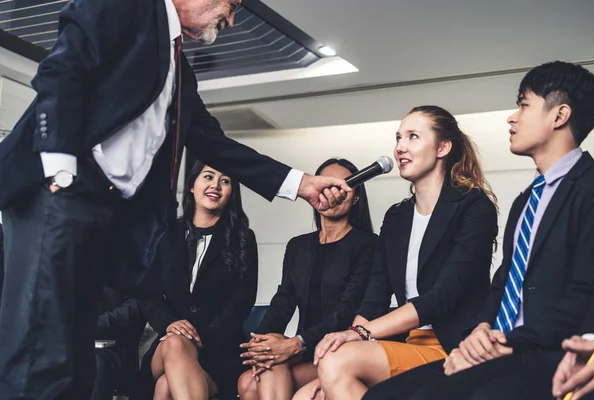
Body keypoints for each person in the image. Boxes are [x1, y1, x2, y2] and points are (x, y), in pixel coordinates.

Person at [0, 0, 350, 397]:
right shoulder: (126, 7)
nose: (231, 19)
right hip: (57, 195)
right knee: (39, 354)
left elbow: (215, 145)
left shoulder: (180, 71)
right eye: (231, 4)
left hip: (101, 215)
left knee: (75, 361)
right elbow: (63, 70)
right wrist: (59, 174)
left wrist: (301, 183)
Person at [363, 61, 594, 400]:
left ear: (559, 115)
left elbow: (586, 287)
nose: (512, 117)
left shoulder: (592, 188)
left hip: (546, 347)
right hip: (502, 342)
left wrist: (504, 342)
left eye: (524, 105)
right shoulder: (526, 201)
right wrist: (481, 331)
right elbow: (504, 280)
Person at [293, 106, 498, 400]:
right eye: (398, 138)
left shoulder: (474, 208)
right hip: (409, 345)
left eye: (413, 137)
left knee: (335, 363)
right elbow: (375, 296)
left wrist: (360, 335)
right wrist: (348, 338)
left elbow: (442, 297)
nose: (400, 147)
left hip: (456, 345)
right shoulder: (397, 217)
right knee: (306, 394)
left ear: (443, 147)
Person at [237, 158, 378, 400]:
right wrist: (260, 344)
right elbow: (283, 302)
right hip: (303, 348)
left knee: (252, 383)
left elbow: (348, 310)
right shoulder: (298, 246)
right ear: (314, 194)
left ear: (356, 197)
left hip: (342, 348)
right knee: (250, 378)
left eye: (344, 186)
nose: (333, 193)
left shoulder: (368, 244)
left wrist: (295, 343)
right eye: (326, 186)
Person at [138, 161, 259, 400]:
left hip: (218, 349)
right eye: (208, 177)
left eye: (225, 181)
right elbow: (148, 293)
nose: (216, 185)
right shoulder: (165, 234)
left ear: (231, 192)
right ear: (192, 185)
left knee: (166, 386)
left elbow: (240, 303)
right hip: (167, 343)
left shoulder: (243, 239)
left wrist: (199, 338)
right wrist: (170, 323)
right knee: (175, 344)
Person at [92, 287, 146, 400]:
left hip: (113, 346)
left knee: (96, 364)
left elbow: (137, 306)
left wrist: (96, 324)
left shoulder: (123, 272)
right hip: (65, 346)